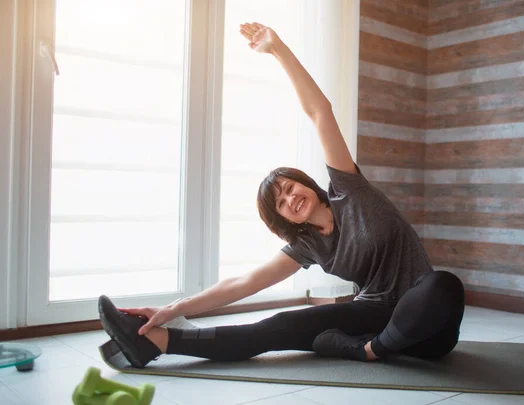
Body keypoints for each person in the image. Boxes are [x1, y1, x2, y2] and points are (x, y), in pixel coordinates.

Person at [98, 22, 465, 369]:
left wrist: (278, 49)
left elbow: (320, 112)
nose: (291, 199)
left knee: (442, 284)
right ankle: (156, 343)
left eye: (291, 188)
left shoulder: (350, 192)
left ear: (308, 184)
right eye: (281, 204)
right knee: (278, 325)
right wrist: (172, 310)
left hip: (426, 327)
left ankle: (366, 351)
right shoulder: (306, 245)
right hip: (370, 315)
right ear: (284, 220)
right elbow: (243, 284)